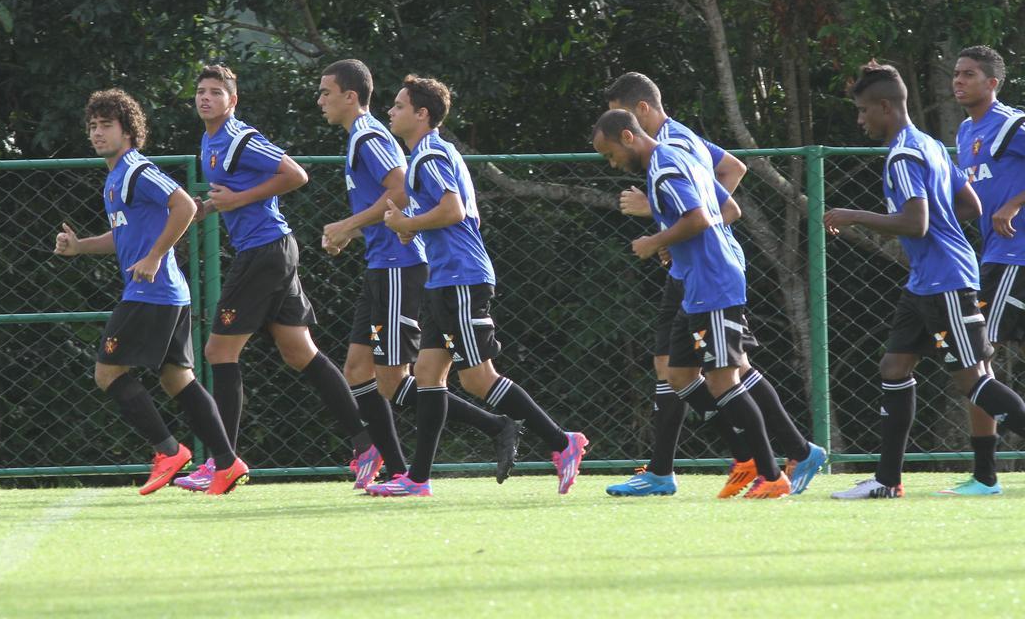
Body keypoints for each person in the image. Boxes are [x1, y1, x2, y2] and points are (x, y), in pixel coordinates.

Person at [602, 73, 824, 498]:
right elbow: (728, 185)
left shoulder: (671, 151)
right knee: (687, 371)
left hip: (708, 276)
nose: (612, 163)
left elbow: (710, 211)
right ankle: (775, 453)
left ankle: (761, 465)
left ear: (638, 115)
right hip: (694, 270)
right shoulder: (675, 143)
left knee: (721, 375)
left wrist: (662, 231)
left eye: (612, 150)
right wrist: (675, 229)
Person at [366, 75, 588, 497]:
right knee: (429, 374)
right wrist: (412, 228)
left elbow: (452, 210)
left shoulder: (429, 155)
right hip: (445, 278)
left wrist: (409, 224)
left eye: (397, 105)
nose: (390, 112)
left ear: (421, 113)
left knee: (478, 379)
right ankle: (417, 480)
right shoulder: (433, 154)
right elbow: (464, 215)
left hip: (461, 279)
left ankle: (563, 443)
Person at [316, 59, 521, 488]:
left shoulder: (370, 136)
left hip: (400, 265)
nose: (320, 101)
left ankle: (482, 435)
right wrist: (354, 230)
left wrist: (355, 226)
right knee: (359, 370)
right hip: (383, 262)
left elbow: (400, 191)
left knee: (400, 379)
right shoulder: (364, 137)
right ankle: (394, 466)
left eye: (325, 93)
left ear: (350, 97)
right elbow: (396, 200)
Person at [824, 61, 1025, 499]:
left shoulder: (903, 155)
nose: (860, 120)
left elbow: (915, 223)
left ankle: (981, 477)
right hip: (923, 282)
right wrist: (942, 228)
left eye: (862, 111)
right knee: (894, 367)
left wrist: (852, 215)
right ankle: (886, 480)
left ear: (884, 107)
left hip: (946, 280)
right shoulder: (931, 145)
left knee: (972, 379)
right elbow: (968, 204)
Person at [174, 64, 377, 491]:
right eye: (201, 91)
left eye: (215, 92)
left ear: (233, 101)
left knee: (218, 352)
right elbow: (230, 197)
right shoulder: (209, 141)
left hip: (264, 253)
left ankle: (222, 461)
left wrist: (237, 199)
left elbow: (295, 175)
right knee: (299, 352)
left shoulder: (239, 138)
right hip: (269, 252)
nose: (205, 97)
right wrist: (207, 207)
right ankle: (367, 446)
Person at [54, 88, 247, 496]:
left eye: (107, 125)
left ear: (128, 131)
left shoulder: (137, 169)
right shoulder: (116, 177)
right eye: (93, 126)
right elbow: (124, 235)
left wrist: (157, 255)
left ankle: (168, 451)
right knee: (178, 379)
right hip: (164, 295)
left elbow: (185, 206)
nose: (97, 133)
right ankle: (228, 464)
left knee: (107, 372)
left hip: (151, 292)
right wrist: (81, 246)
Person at [946, 45, 1025, 495]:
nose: (959, 81)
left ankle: (985, 476)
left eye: (969, 74)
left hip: (1014, 257)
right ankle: (985, 475)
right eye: (957, 74)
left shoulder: (1011, 124)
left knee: (975, 355)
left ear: (992, 83)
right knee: (977, 359)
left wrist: (1014, 203)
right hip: (992, 257)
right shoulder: (963, 131)